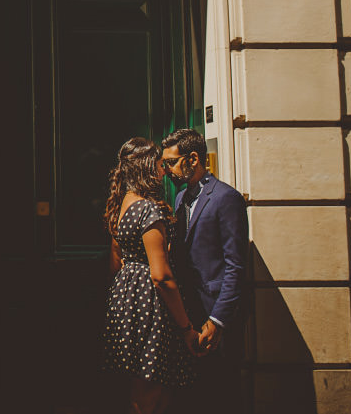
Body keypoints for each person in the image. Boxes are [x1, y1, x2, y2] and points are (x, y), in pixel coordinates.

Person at [103, 137, 201, 414]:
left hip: (125, 302)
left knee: (144, 386)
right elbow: (161, 276)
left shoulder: (122, 203)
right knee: (151, 390)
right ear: (147, 168)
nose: (163, 171)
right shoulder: (147, 209)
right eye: (159, 165)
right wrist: (186, 328)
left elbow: (114, 264)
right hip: (150, 305)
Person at [161, 128, 248, 413]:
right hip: (186, 316)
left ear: (193, 158)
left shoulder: (226, 198)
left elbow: (236, 265)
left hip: (214, 315)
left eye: (171, 162)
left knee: (222, 393)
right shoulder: (180, 198)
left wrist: (218, 320)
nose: (166, 170)